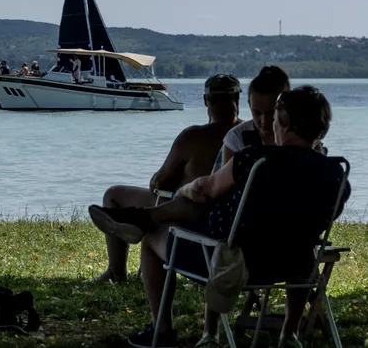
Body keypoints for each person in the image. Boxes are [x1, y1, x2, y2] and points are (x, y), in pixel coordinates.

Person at [89, 86, 348, 348]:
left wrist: (184, 190)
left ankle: (162, 330)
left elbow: (206, 188)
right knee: (298, 242)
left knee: (154, 236)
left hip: (228, 263)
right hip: (294, 265)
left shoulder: (254, 160)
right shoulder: (336, 173)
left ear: (283, 122)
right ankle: (288, 335)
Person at [92, 73, 243, 283]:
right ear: (237, 98)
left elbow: (160, 183)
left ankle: (116, 271)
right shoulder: (248, 137)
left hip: (190, 214)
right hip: (234, 225)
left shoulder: (193, 137)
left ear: (206, 100)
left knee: (113, 195)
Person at [217, 65, 289, 168]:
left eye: (271, 113)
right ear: (249, 105)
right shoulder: (237, 137)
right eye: (257, 113)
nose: (263, 121)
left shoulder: (300, 135)